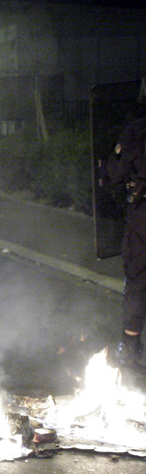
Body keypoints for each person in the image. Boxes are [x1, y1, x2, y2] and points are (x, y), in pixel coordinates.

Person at [102, 115, 146, 373]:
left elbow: (116, 174)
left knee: (138, 279)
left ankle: (129, 349)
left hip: (143, 217)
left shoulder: (137, 130)